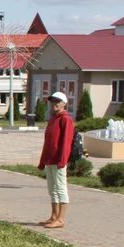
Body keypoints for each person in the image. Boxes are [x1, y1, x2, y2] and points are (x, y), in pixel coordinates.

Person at [37, 91, 75, 228]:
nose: (54, 104)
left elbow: (66, 142)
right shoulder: (53, 119)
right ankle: (53, 216)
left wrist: (62, 160)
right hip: (49, 159)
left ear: (64, 104)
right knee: (52, 189)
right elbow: (48, 142)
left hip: (59, 161)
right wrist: (42, 161)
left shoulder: (66, 119)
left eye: (57, 102)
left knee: (60, 188)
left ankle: (61, 219)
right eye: (52, 102)